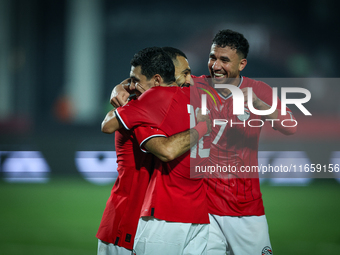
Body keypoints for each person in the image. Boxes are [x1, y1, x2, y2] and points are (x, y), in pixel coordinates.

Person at [97, 46, 211, 255]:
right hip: (125, 220)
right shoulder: (141, 108)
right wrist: (202, 127)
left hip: (155, 216)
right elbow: (108, 125)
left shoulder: (178, 99)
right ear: (162, 78)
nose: (190, 80)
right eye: (184, 74)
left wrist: (121, 86)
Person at [202, 29, 297, 255]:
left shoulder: (258, 90)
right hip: (205, 209)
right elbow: (157, 82)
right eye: (212, 57)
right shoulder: (196, 87)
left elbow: (290, 126)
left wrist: (259, 105)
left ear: (242, 64)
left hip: (246, 208)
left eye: (224, 60)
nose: (215, 66)